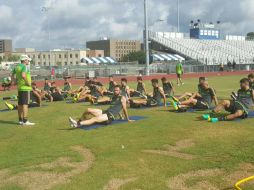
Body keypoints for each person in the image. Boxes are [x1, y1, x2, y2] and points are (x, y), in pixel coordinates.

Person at [68, 85, 134, 128]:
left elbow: (124, 109)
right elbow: (116, 107)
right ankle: (79, 120)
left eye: (117, 90)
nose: (115, 91)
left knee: (94, 119)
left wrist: (127, 119)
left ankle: (78, 124)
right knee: (88, 110)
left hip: (110, 116)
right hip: (106, 112)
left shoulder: (122, 98)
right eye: (115, 90)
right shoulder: (114, 97)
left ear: (120, 91)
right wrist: (120, 116)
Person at [11, 55, 35, 125]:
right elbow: (23, 75)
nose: (28, 61)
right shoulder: (24, 67)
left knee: (20, 104)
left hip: (20, 88)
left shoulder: (17, 67)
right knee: (25, 104)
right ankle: (25, 120)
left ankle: (20, 120)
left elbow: (12, 75)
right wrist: (28, 83)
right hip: (25, 88)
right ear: (24, 60)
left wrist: (14, 81)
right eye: (28, 60)